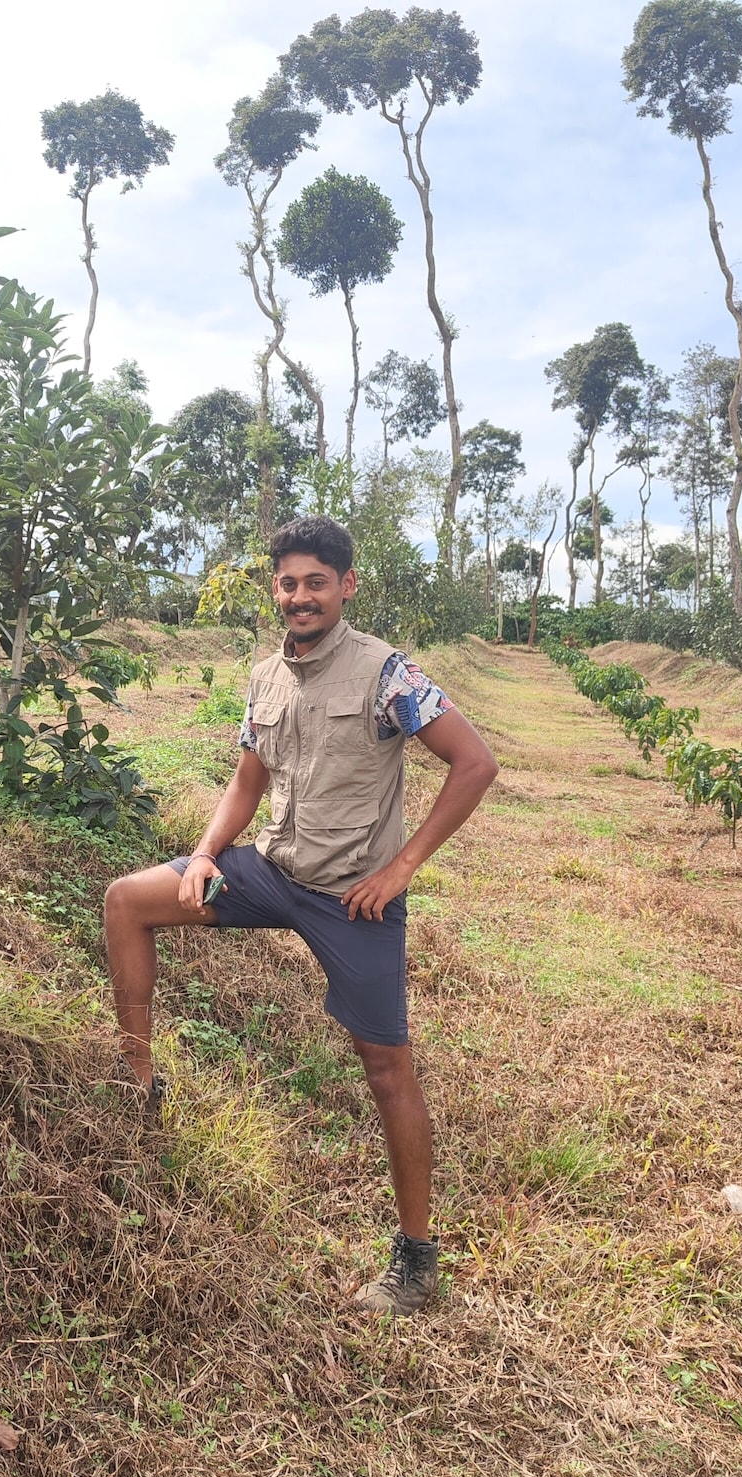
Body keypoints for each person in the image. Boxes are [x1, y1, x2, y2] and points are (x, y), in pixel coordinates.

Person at [102, 514, 498, 1316]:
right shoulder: (265, 676)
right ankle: (138, 1081)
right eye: (287, 582)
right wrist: (210, 853)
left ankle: (416, 1262)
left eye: (317, 581)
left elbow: (475, 763)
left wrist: (400, 869)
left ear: (346, 586)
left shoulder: (390, 675)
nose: (300, 596)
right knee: (125, 901)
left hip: (354, 898)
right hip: (266, 874)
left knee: (387, 1069)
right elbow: (246, 784)